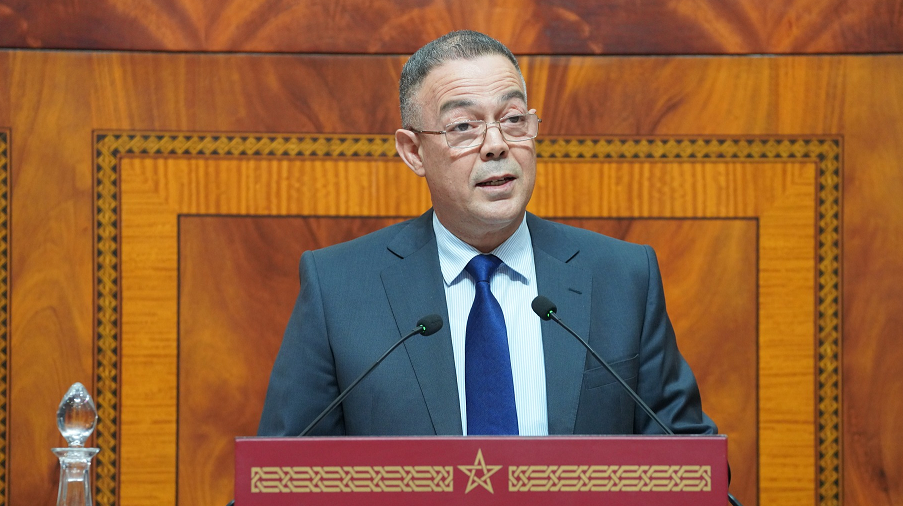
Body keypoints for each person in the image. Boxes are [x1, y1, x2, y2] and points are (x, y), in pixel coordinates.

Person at [257, 30, 716, 438]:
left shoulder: (623, 278)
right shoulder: (338, 290)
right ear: (413, 151)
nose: (496, 144)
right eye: (464, 127)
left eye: (513, 120)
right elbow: (281, 476)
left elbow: (692, 463)